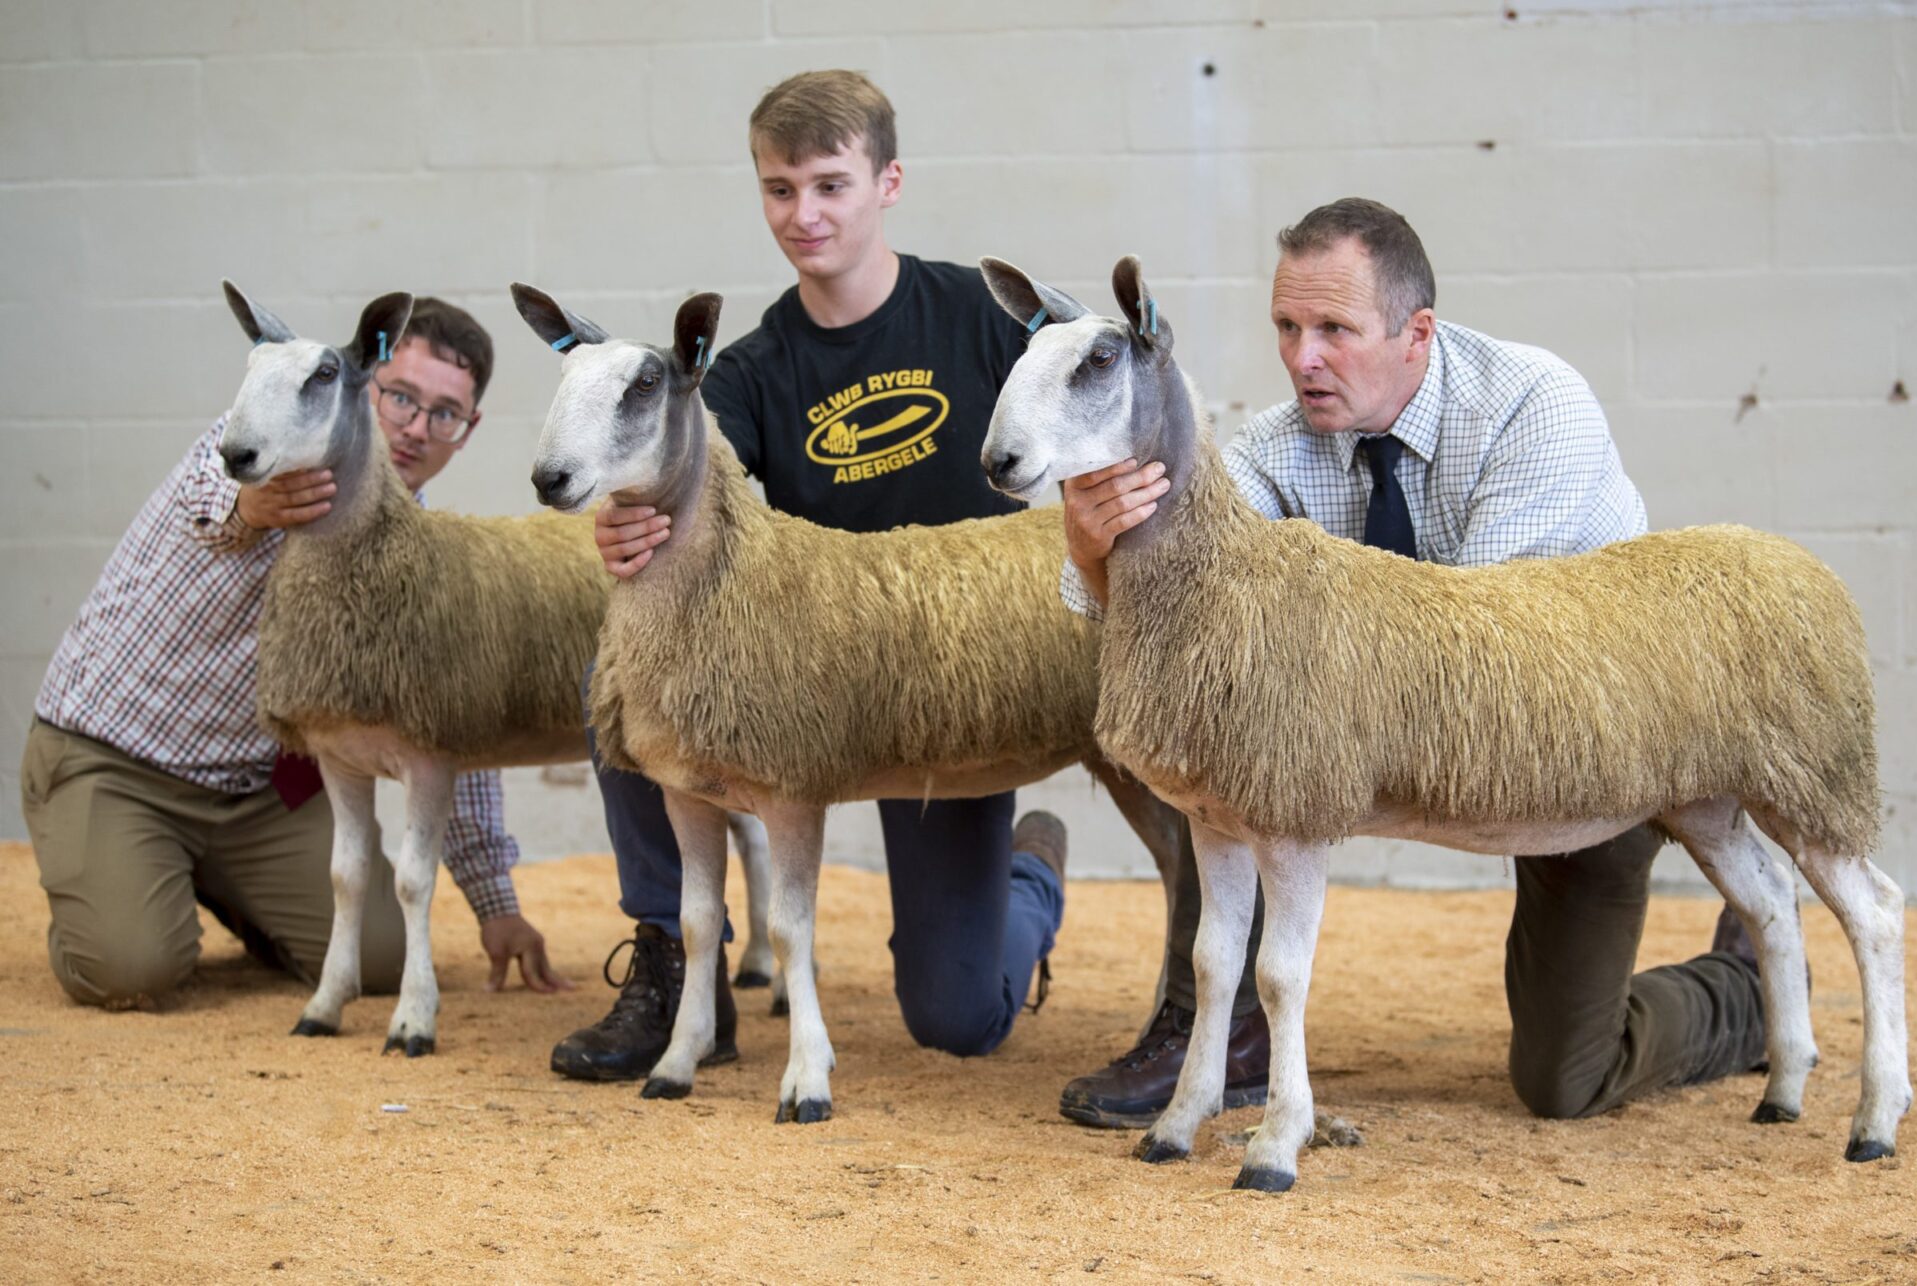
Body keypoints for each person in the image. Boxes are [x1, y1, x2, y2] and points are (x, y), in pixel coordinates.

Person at [1055, 197, 1767, 1128]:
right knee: (1217, 746)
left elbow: (1482, 654)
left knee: (1564, 1079)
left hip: (1575, 737)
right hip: (1401, 749)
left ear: (1416, 333)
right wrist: (1091, 549)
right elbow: (1180, 637)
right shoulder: (1275, 449)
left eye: (1334, 330)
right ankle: (1216, 1036)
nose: (1303, 357)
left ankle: (1738, 997)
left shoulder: (1530, 404)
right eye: (1286, 326)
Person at [549, 70, 1068, 1082]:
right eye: (779, 188)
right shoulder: (743, 373)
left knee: (959, 1017)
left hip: (950, 681)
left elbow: (1097, 420)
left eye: (830, 183)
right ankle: (667, 953)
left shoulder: (982, 317)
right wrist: (630, 529)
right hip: (810, 684)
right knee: (614, 677)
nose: (804, 213)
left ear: (888, 182)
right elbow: (687, 498)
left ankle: (1029, 881)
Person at [21, 297, 569, 1009]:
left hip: (261, 792)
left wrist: (496, 904)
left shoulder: (420, 547)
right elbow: (214, 506)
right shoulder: (254, 452)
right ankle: (116, 883)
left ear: (467, 431)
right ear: (358, 384)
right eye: (399, 396)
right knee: (131, 968)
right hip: (120, 761)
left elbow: (446, 725)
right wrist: (251, 510)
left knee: (378, 962)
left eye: (444, 413)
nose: (413, 428)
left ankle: (236, 890)